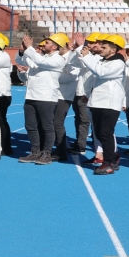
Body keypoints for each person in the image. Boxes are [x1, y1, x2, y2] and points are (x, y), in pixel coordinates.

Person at [77, 34, 126, 175]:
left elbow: (101, 73)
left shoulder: (118, 63)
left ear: (113, 49)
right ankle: (112, 158)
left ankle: (108, 162)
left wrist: (86, 56)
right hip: (98, 102)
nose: (101, 49)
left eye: (104, 47)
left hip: (109, 103)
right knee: (99, 133)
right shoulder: (104, 60)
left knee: (106, 133)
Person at [16, 34, 65, 165]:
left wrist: (29, 48)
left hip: (46, 98)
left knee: (47, 127)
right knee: (30, 126)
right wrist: (22, 51)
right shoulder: (40, 57)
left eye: (47, 42)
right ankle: (35, 151)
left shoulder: (58, 59)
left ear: (54, 46)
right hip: (31, 96)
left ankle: (47, 153)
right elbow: (23, 61)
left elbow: (39, 61)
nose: (43, 44)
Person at [68, 32, 101, 155]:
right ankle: (81, 142)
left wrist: (81, 46)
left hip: (87, 93)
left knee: (84, 120)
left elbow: (88, 64)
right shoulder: (88, 54)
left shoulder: (98, 57)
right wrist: (76, 48)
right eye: (89, 42)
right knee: (79, 119)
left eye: (92, 43)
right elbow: (73, 62)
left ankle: (82, 145)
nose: (89, 45)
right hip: (79, 91)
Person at [52, 33, 78, 161]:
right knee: (53, 122)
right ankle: (58, 148)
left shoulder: (72, 58)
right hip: (54, 94)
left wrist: (53, 78)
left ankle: (61, 151)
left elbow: (73, 76)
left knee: (57, 122)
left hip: (64, 95)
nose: (56, 48)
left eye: (57, 46)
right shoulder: (58, 57)